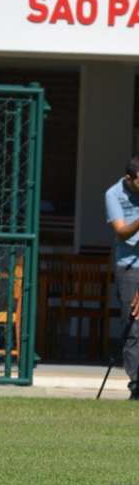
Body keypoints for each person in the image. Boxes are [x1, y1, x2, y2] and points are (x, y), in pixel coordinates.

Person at [105, 157, 139, 400]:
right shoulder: (114, 194)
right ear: (130, 178)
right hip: (130, 267)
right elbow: (121, 230)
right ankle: (137, 384)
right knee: (134, 324)